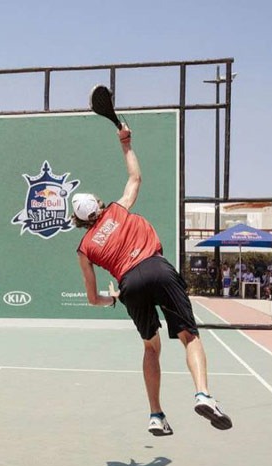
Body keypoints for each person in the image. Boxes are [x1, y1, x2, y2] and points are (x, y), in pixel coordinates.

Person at [73, 124, 232, 437]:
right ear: (100, 206)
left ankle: (156, 415)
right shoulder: (118, 210)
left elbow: (93, 299)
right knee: (189, 336)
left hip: (129, 285)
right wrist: (126, 142)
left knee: (150, 348)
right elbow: (135, 178)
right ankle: (202, 394)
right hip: (157, 269)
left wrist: (113, 298)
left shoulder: (84, 249)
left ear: (79, 221)